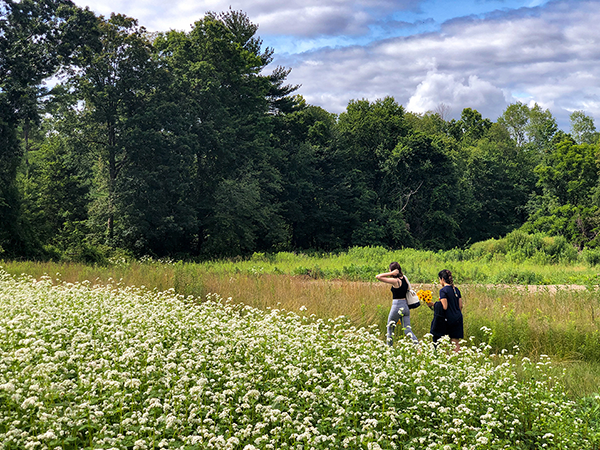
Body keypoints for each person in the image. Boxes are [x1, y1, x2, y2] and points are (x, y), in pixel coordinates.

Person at [376, 262, 419, 346]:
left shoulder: (396, 281)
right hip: (406, 306)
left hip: (397, 305)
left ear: (393, 270)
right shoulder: (404, 278)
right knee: (407, 330)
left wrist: (391, 273)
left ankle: (389, 349)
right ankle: (417, 346)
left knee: (390, 328)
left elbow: (378, 277)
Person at [431, 269, 463, 352]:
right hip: (458, 318)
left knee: (444, 342)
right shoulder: (456, 289)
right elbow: (461, 306)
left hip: (448, 319)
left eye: (439, 279)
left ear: (442, 279)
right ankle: (457, 361)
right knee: (455, 342)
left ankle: (446, 360)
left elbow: (444, 306)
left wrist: (433, 304)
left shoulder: (443, 291)